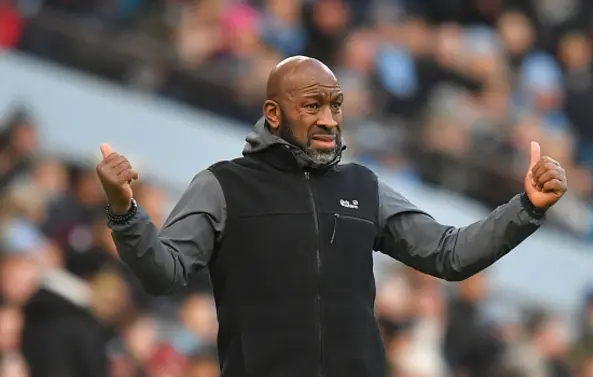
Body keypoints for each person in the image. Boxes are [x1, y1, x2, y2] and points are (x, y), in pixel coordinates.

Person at [96, 56, 568, 377]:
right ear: (273, 114)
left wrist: (525, 208)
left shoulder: (363, 186)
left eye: (336, 104)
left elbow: (449, 253)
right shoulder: (221, 185)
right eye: (313, 105)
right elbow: (164, 272)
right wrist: (124, 210)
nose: (329, 119)